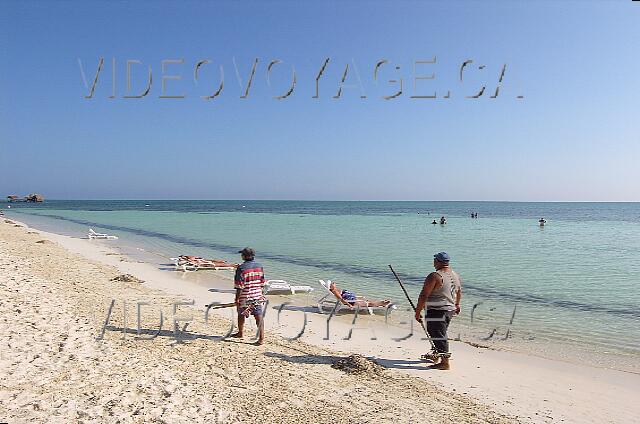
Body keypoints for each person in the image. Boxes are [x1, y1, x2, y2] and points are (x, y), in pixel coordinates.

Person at [415, 252, 462, 370]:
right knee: (439, 333)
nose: (433, 262)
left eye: (435, 260)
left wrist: (417, 311)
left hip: (437, 310)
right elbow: (459, 291)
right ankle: (437, 354)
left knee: (439, 335)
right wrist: (457, 304)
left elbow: (424, 295)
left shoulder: (435, 276)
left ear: (438, 262)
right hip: (449, 309)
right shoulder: (454, 274)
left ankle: (445, 362)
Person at [231, 247, 266, 345]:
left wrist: (237, 299)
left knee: (241, 314)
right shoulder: (259, 266)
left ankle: (240, 333)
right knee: (258, 316)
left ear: (244, 256)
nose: (241, 255)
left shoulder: (241, 268)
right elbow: (262, 282)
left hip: (245, 297)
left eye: (242, 254)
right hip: (257, 296)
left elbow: (239, 286)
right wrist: (260, 293)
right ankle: (261, 339)